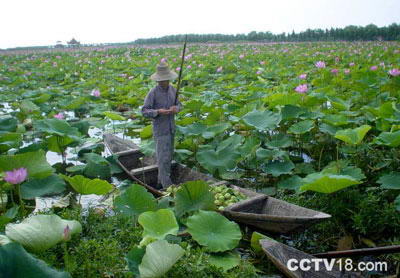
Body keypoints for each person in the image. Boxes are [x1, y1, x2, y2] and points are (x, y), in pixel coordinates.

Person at [141, 62, 182, 189]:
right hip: (160, 129)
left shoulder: (173, 89)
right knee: (162, 158)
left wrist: (176, 109)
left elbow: (180, 105)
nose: (164, 82)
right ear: (158, 80)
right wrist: (158, 112)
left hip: (171, 128)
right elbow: (144, 111)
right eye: (161, 80)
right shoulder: (153, 92)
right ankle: (167, 187)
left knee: (168, 157)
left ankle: (160, 182)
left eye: (166, 80)